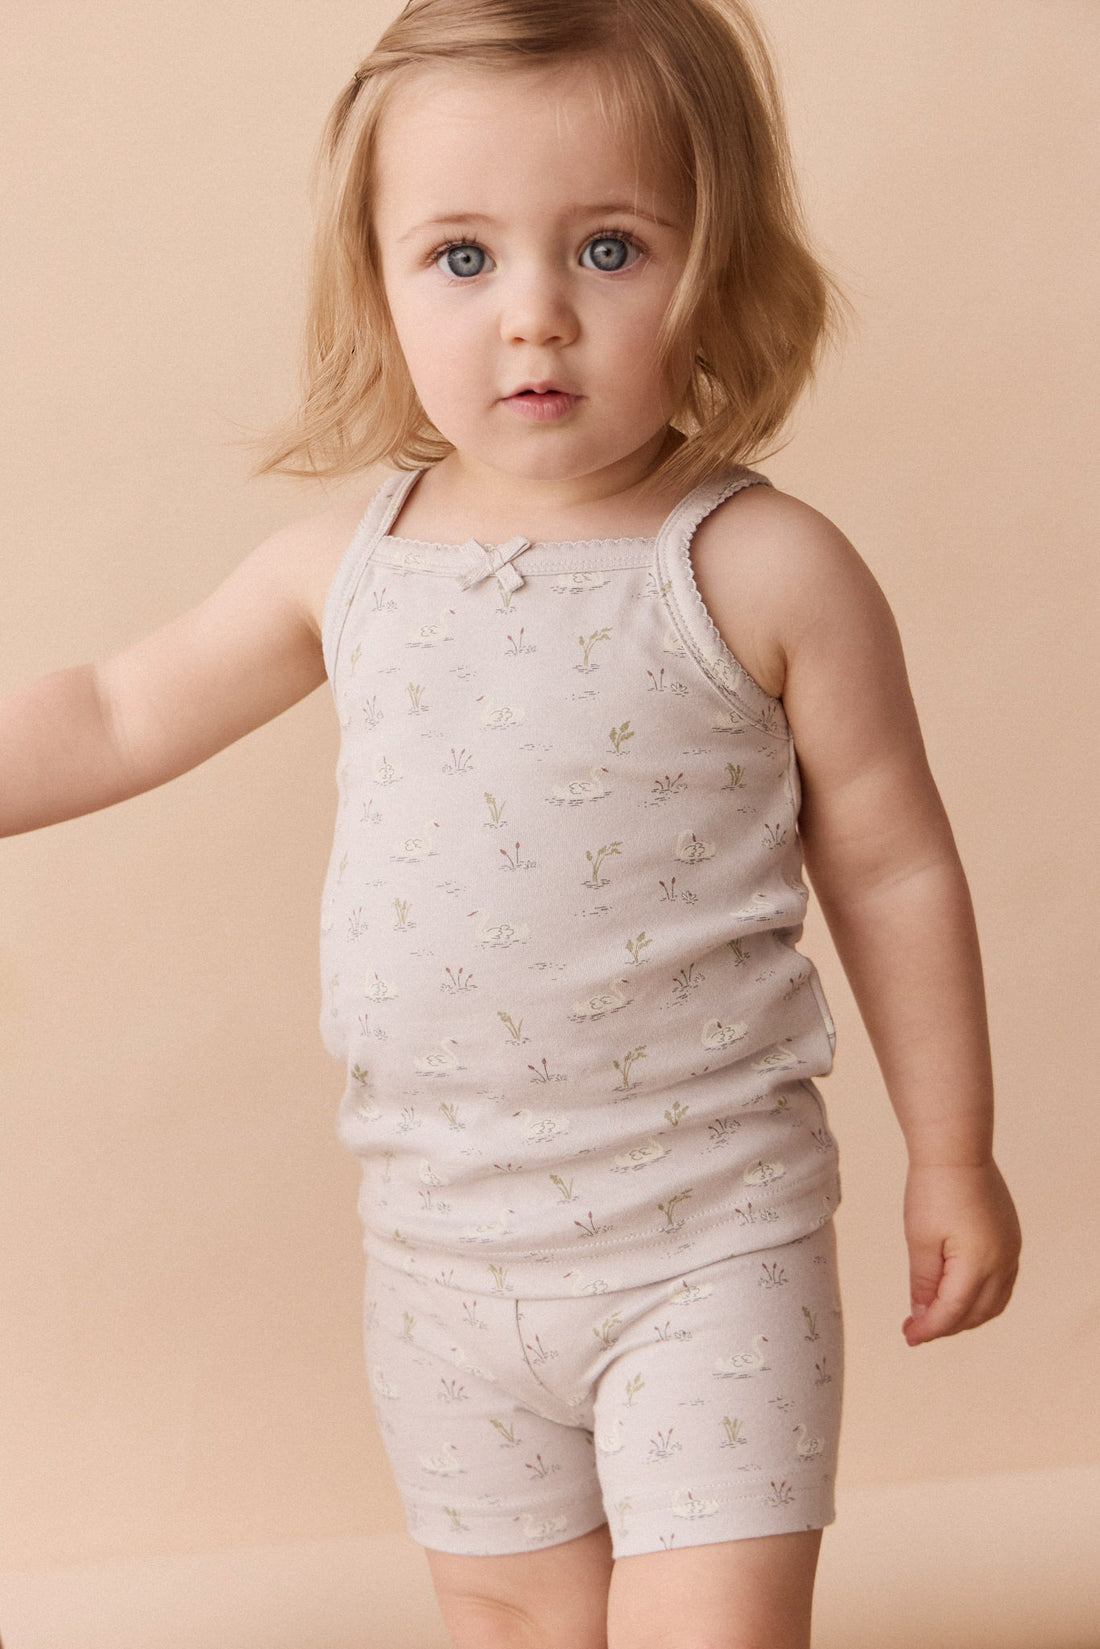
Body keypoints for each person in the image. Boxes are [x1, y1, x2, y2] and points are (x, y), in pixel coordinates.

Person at [1, 1, 1021, 1644]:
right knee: (507, 1616)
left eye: (610, 249)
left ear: (718, 268)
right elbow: (116, 708)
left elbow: (896, 868)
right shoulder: (344, 571)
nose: (535, 314)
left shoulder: (761, 570)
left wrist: (952, 1154)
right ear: (379, 283)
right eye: (462, 258)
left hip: (710, 1244)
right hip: (438, 1255)